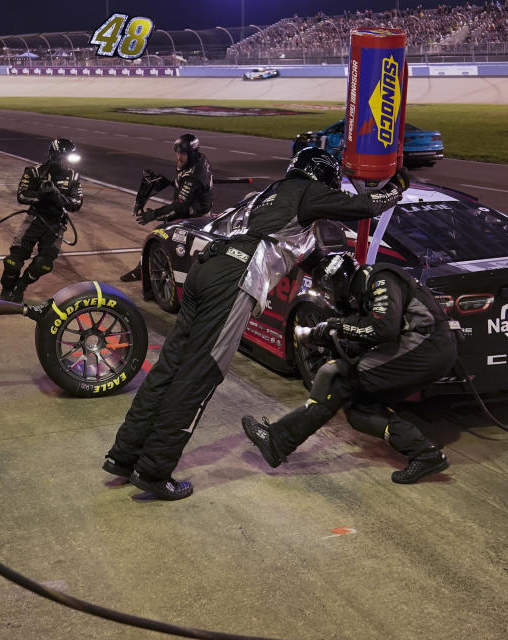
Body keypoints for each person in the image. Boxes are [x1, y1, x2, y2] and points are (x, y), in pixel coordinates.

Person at [103, 147, 408, 500]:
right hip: (234, 276)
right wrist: (397, 185)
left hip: (206, 266)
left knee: (170, 367)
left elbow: (295, 252)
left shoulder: (267, 194)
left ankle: (123, 456)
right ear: (321, 176)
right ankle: (154, 469)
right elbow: (366, 207)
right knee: (202, 373)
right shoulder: (307, 192)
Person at [242, 252, 459, 484]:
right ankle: (425, 454)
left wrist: (336, 326)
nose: (329, 297)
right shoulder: (362, 292)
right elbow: (363, 334)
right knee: (359, 409)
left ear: (339, 282)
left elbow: (384, 328)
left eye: (328, 290)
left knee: (340, 380)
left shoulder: (380, 278)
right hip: (422, 348)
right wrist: (325, 335)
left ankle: (277, 440)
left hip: (427, 346)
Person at [120, 133, 214, 282]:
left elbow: (179, 207)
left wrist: (154, 214)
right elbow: (183, 190)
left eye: (183, 154)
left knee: (161, 234)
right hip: (191, 211)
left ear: (192, 153)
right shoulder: (197, 160)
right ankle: (145, 268)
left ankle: (147, 271)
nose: (178, 157)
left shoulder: (193, 176)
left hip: (195, 219)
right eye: (177, 153)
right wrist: (164, 181)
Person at [0, 138, 83, 303]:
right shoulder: (34, 171)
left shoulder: (73, 176)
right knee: (13, 262)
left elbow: (77, 203)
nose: (68, 163)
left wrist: (57, 196)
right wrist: (41, 195)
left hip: (56, 225)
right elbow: (22, 195)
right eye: (65, 158)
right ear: (54, 156)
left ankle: (21, 286)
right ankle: (7, 289)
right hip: (35, 219)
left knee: (44, 264)